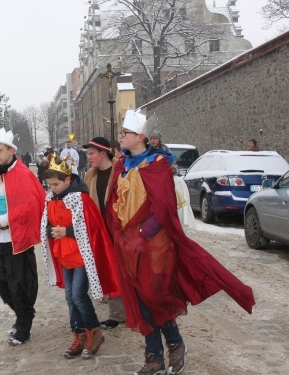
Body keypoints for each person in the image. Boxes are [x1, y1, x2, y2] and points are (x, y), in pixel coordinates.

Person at [106, 109, 256, 375]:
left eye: (125, 133)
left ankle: (174, 343)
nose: (120, 136)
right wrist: (120, 234)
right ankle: (154, 357)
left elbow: (163, 206)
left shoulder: (157, 165)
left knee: (155, 295)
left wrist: (142, 235)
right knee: (139, 298)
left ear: (140, 136)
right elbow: (115, 203)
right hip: (127, 243)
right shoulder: (122, 165)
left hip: (154, 244)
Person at [40, 153, 119, 359]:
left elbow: (92, 228)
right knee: (69, 296)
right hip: (64, 254)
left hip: (82, 255)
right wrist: (52, 231)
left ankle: (95, 331)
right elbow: (47, 225)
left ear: (68, 180)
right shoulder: (51, 198)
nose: (52, 188)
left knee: (78, 294)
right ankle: (79, 333)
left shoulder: (81, 199)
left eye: (56, 184)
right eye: (49, 185)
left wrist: (65, 231)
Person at [0, 128, 45, 346]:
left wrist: (5, 219)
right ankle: (24, 314)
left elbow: (31, 204)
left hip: (18, 237)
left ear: (11, 151)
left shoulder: (23, 174)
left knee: (19, 284)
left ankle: (23, 326)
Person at [82, 136, 126, 330]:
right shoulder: (89, 176)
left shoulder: (122, 172)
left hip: (121, 230)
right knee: (109, 270)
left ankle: (136, 308)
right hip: (101, 231)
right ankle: (117, 314)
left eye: (91, 154)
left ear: (103, 153)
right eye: (88, 154)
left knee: (128, 271)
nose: (89, 157)